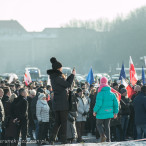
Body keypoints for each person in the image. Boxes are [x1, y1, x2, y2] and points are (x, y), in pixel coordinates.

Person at [47, 57, 75, 144]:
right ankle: (63, 139)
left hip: (57, 102)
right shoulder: (57, 77)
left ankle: (52, 139)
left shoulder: (54, 77)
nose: (62, 69)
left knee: (57, 122)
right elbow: (67, 84)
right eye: (61, 67)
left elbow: (65, 84)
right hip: (62, 103)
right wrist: (72, 75)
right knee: (63, 122)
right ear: (58, 68)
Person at [93, 77, 119, 142]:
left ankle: (102, 135)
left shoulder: (100, 93)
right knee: (107, 126)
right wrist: (115, 112)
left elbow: (98, 104)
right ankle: (108, 139)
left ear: (100, 83)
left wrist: (94, 111)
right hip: (109, 112)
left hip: (101, 113)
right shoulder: (112, 94)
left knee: (99, 124)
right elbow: (116, 104)